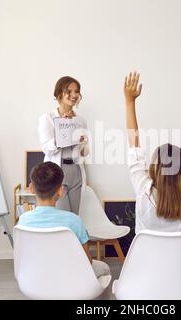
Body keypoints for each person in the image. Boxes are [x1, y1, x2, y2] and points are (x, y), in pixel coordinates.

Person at [124, 72, 181, 233]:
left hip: (147, 259)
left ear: (155, 168)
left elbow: (134, 146)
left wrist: (129, 101)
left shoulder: (144, 190)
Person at [18, 161, 110, 278]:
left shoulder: (23, 220)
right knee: (104, 268)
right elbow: (87, 261)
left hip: (36, 277)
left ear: (31, 188)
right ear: (61, 191)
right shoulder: (73, 221)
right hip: (68, 276)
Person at [38, 76, 89, 214]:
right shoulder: (48, 118)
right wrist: (64, 128)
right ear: (59, 93)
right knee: (63, 217)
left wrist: (84, 143)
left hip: (76, 171)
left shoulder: (81, 121)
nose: (74, 95)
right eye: (69, 91)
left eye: (77, 91)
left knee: (74, 217)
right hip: (58, 171)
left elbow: (84, 153)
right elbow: (46, 149)